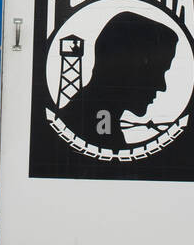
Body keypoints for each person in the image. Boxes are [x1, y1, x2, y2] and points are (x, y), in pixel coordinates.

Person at [57, 11, 178, 150]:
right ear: (132, 66)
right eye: (157, 71)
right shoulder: (99, 135)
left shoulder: (75, 123)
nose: (162, 86)